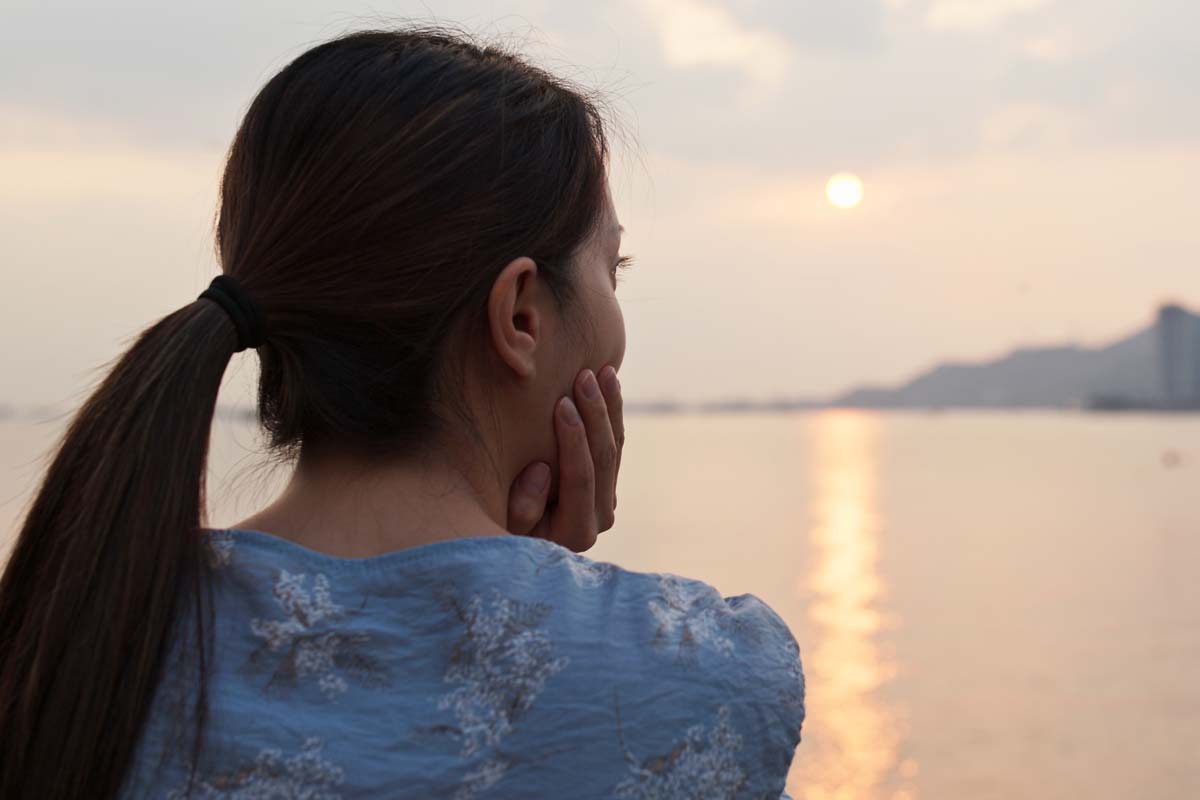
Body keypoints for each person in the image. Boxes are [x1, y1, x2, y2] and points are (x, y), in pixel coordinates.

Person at [0, 25, 805, 799]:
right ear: (521, 315)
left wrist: (517, 588)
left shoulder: (73, 636)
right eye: (612, 267)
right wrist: (542, 603)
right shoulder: (699, 680)